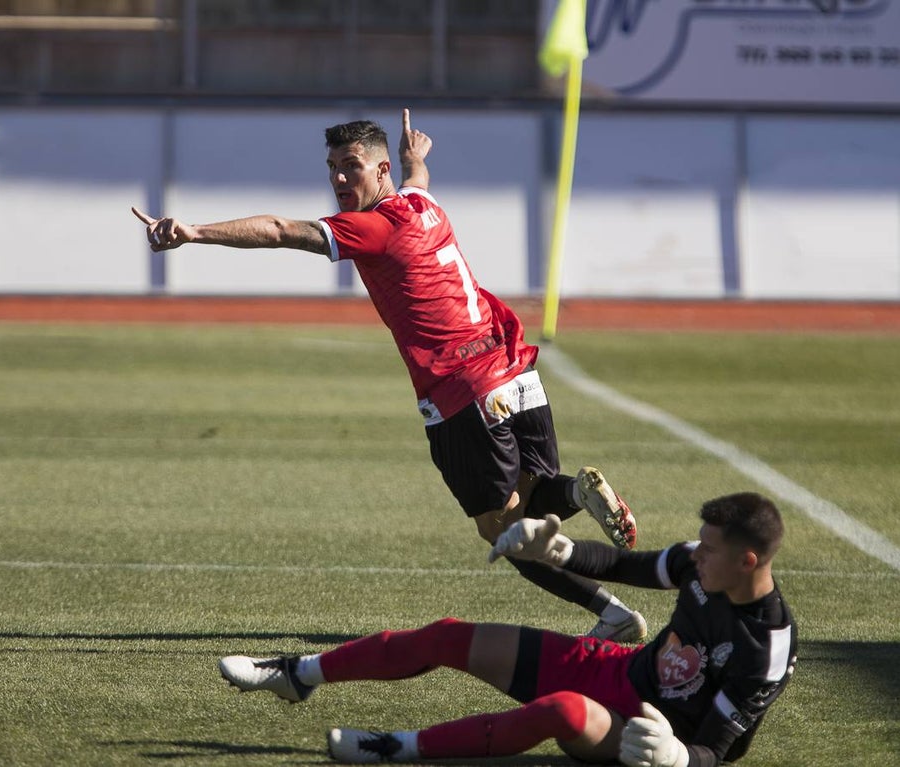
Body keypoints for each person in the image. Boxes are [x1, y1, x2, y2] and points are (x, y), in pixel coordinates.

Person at [132, 109, 643, 639]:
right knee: (534, 503)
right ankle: (582, 509)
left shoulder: (369, 229)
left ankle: (611, 614)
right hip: (516, 371)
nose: (338, 179)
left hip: (461, 390)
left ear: (378, 174)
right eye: (331, 167)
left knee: (502, 531)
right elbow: (418, 181)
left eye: (351, 167)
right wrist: (413, 161)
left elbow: (282, 229)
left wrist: (193, 231)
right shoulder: (422, 203)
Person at [219, 492, 798, 767]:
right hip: (619, 670)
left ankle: (395, 747)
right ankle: (299, 673)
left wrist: (676, 757)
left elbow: (720, 751)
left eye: (711, 550)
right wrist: (562, 551)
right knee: (449, 635)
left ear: (749, 562)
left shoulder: (767, 646)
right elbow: (627, 565)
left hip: (641, 730)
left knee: (562, 712)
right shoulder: (703, 562)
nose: (698, 555)